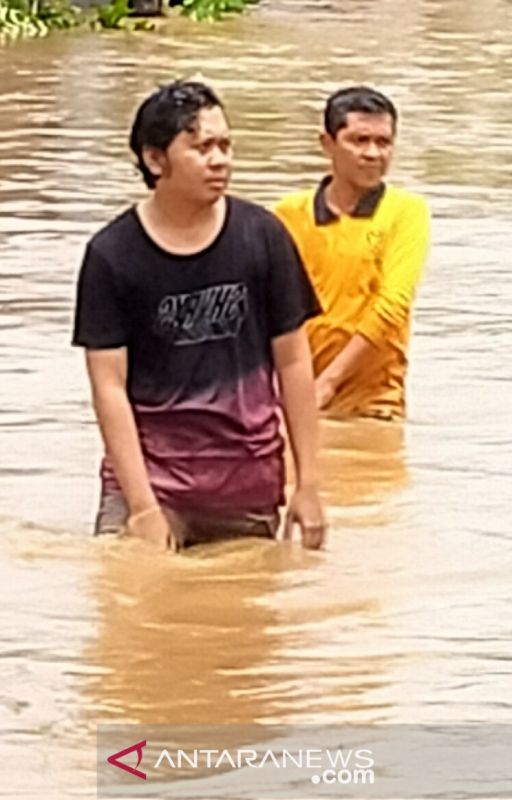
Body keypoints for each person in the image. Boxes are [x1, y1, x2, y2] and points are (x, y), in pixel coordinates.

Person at [72, 81, 326, 551]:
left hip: (245, 485)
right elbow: (108, 387)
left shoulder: (263, 237)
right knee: (131, 606)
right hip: (151, 483)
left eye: (225, 145)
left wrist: (309, 484)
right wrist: (144, 509)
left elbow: (293, 362)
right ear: (155, 160)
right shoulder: (112, 255)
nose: (221, 159)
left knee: (246, 619)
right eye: (202, 147)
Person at [274, 87, 430, 419]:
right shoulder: (288, 215)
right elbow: (267, 309)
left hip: (375, 403)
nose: (373, 153)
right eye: (359, 141)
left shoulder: (405, 212)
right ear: (327, 143)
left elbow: (393, 306)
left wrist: (328, 382)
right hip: (293, 396)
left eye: (383, 142)